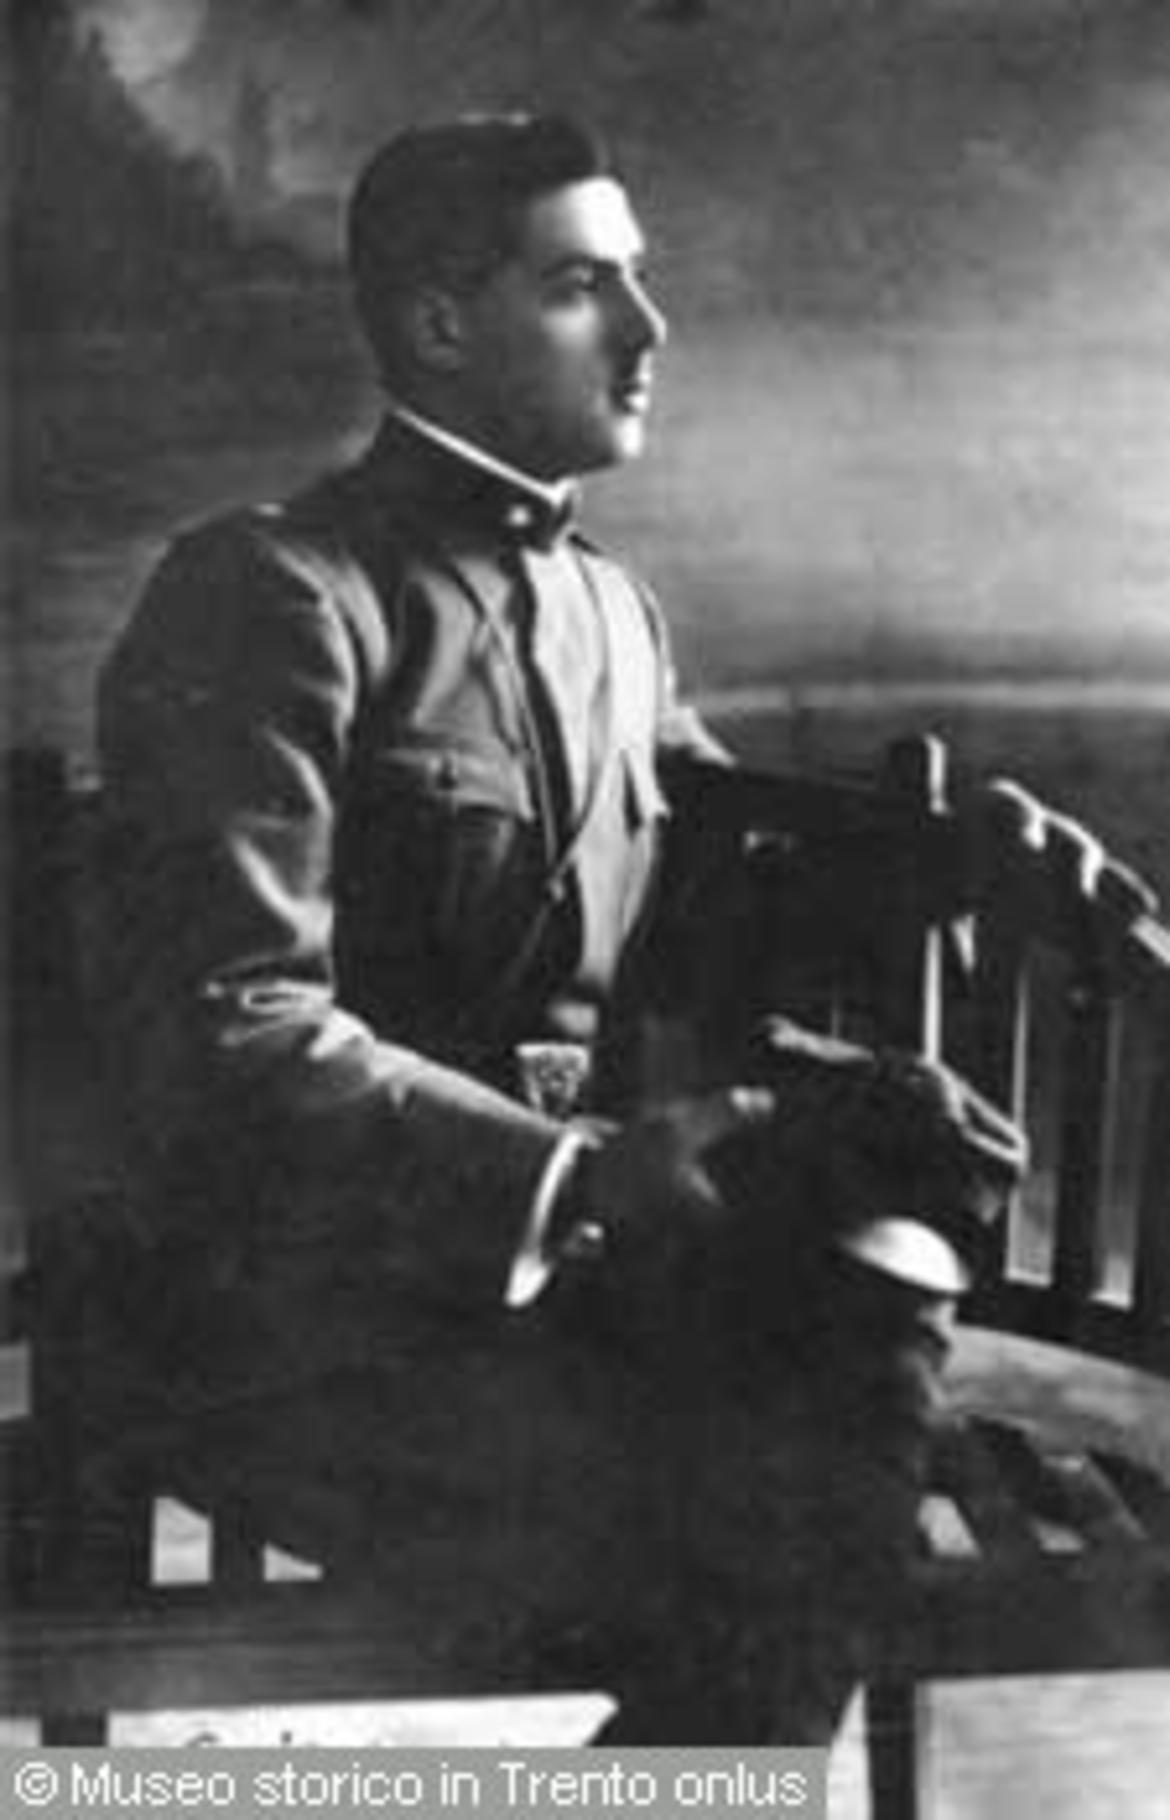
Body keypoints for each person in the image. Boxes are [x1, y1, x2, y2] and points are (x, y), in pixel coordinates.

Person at [91, 115, 1025, 1741]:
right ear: (440, 324)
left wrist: (945, 869)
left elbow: (720, 902)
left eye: (635, 281)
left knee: (826, 1421)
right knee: (806, 1528)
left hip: (560, 1317)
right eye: (584, 286)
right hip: (293, 1334)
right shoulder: (272, 597)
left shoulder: (610, 613)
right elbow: (231, 1026)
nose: (648, 330)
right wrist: (576, 1175)